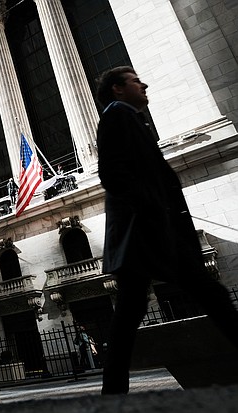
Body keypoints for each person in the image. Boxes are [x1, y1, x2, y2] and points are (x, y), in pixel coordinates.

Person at [96, 66, 238, 395]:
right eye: (134, 81)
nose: (143, 84)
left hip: (152, 230)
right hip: (148, 231)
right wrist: (152, 211)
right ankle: (112, 392)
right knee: (209, 294)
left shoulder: (130, 118)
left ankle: (113, 392)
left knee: (133, 311)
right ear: (118, 89)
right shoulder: (117, 117)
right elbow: (112, 174)